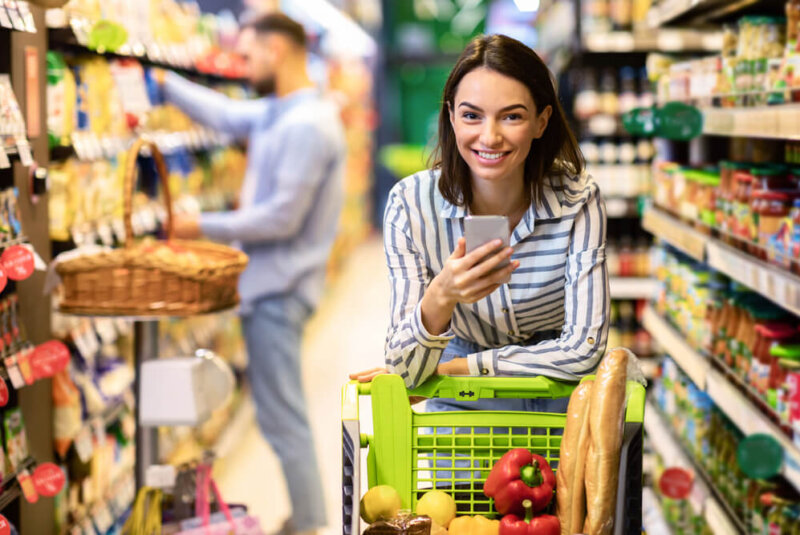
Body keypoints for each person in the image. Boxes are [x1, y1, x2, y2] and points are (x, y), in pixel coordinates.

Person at [352, 33, 609, 416]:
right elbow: (405, 372)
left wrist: (461, 367)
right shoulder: (410, 206)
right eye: (472, 115)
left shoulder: (578, 199)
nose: (490, 136)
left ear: (541, 121)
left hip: (556, 390)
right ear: (451, 116)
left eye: (512, 116)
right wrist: (442, 294)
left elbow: (584, 350)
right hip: (460, 396)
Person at [158, 12, 345, 535]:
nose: (243, 66)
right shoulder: (279, 112)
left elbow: (282, 218)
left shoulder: (309, 125)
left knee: (283, 417)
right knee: (279, 412)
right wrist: (161, 82)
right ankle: (306, 516)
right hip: (268, 287)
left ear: (276, 52)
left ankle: (308, 521)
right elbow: (225, 115)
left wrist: (200, 225)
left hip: (280, 291)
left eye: (248, 55)